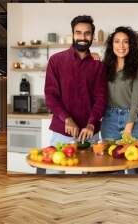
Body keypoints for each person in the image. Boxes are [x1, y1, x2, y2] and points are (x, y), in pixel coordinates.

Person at [43, 15, 107, 173]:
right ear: (72, 34)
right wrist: (67, 119)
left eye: (87, 33)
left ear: (92, 36)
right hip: (62, 132)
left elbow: (101, 98)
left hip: (90, 133)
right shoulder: (56, 61)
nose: (82, 37)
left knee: (92, 179)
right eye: (78, 33)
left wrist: (91, 123)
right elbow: (51, 96)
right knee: (53, 176)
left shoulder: (98, 65)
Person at [101, 26, 138, 174]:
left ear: (131, 45)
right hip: (110, 120)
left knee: (135, 168)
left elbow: (136, 103)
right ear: (111, 45)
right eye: (117, 41)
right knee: (113, 168)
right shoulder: (103, 67)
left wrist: (128, 130)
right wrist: (92, 55)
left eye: (125, 42)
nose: (121, 46)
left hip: (132, 120)